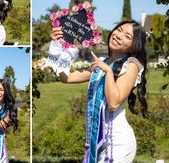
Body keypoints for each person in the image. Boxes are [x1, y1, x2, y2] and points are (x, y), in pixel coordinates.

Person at [50, 20, 148, 163]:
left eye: (127, 36)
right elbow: (67, 78)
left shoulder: (131, 65)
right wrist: (61, 48)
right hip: (97, 140)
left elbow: (114, 103)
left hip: (118, 142)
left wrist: (108, 71)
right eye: (119, 30)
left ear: (134, 46)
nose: (119, 35)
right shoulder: (102, 62)